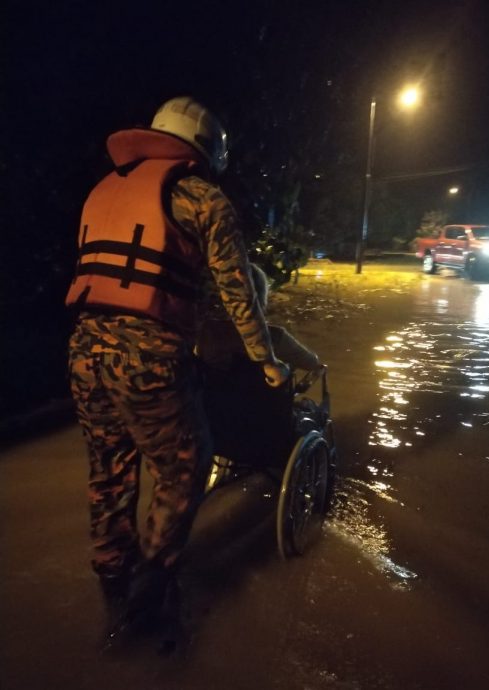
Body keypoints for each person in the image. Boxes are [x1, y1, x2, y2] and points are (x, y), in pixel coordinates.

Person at [65, 97, 289, 642]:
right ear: (209, 151)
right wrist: (267, 362)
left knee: (109, 471)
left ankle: (112, 583)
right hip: (149, 356)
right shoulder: (203, 198)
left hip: (83, 353)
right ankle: (153, 587)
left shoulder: (103, 188)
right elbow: (240, 299)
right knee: (186, 466)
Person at [197, 262, 320, 372]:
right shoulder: (274, 336)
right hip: (263, 395)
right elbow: (312, 364)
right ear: (261, 295)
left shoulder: (204, 331)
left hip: (211, 395)